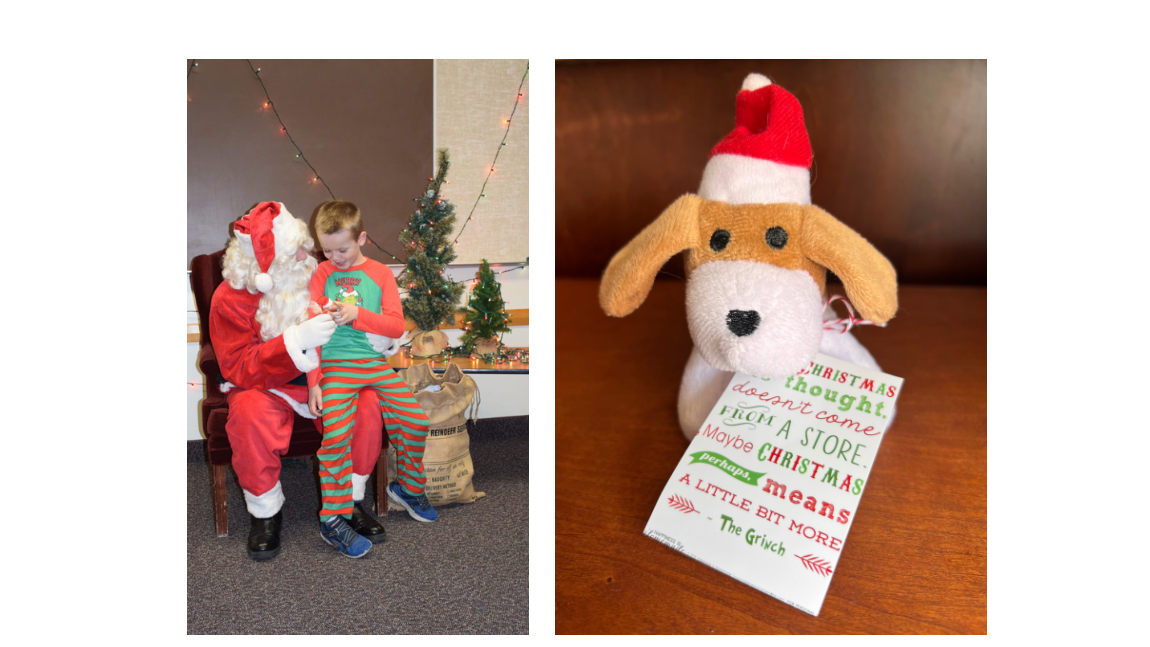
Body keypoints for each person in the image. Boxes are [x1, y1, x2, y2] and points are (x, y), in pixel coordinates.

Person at [210, 201, 391, 561]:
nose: (304, 258)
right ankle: (266, 514)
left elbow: (353, 315)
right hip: (264, 385)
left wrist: (373, 335)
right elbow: (236, 365)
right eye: (292, 254)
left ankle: (348, 501)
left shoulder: (319, 275)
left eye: (302, 249)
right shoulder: (229, 298)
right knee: (247, 415)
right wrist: (294, 342)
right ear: (265, 267)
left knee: (366, 402)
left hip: (327, 376)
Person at [307, 200, 439, 559]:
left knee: (414, 420)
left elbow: (396, 325)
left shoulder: (380, 274)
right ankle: (332, 519)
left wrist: (358, 314)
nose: (335, 257)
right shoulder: (320, 275)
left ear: (361, 237)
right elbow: (311, 333)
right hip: (336, 366)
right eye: (327, 249)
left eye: (343, 248)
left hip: (374, 365)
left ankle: (408, 488)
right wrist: (313, 382)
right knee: (336, 434)